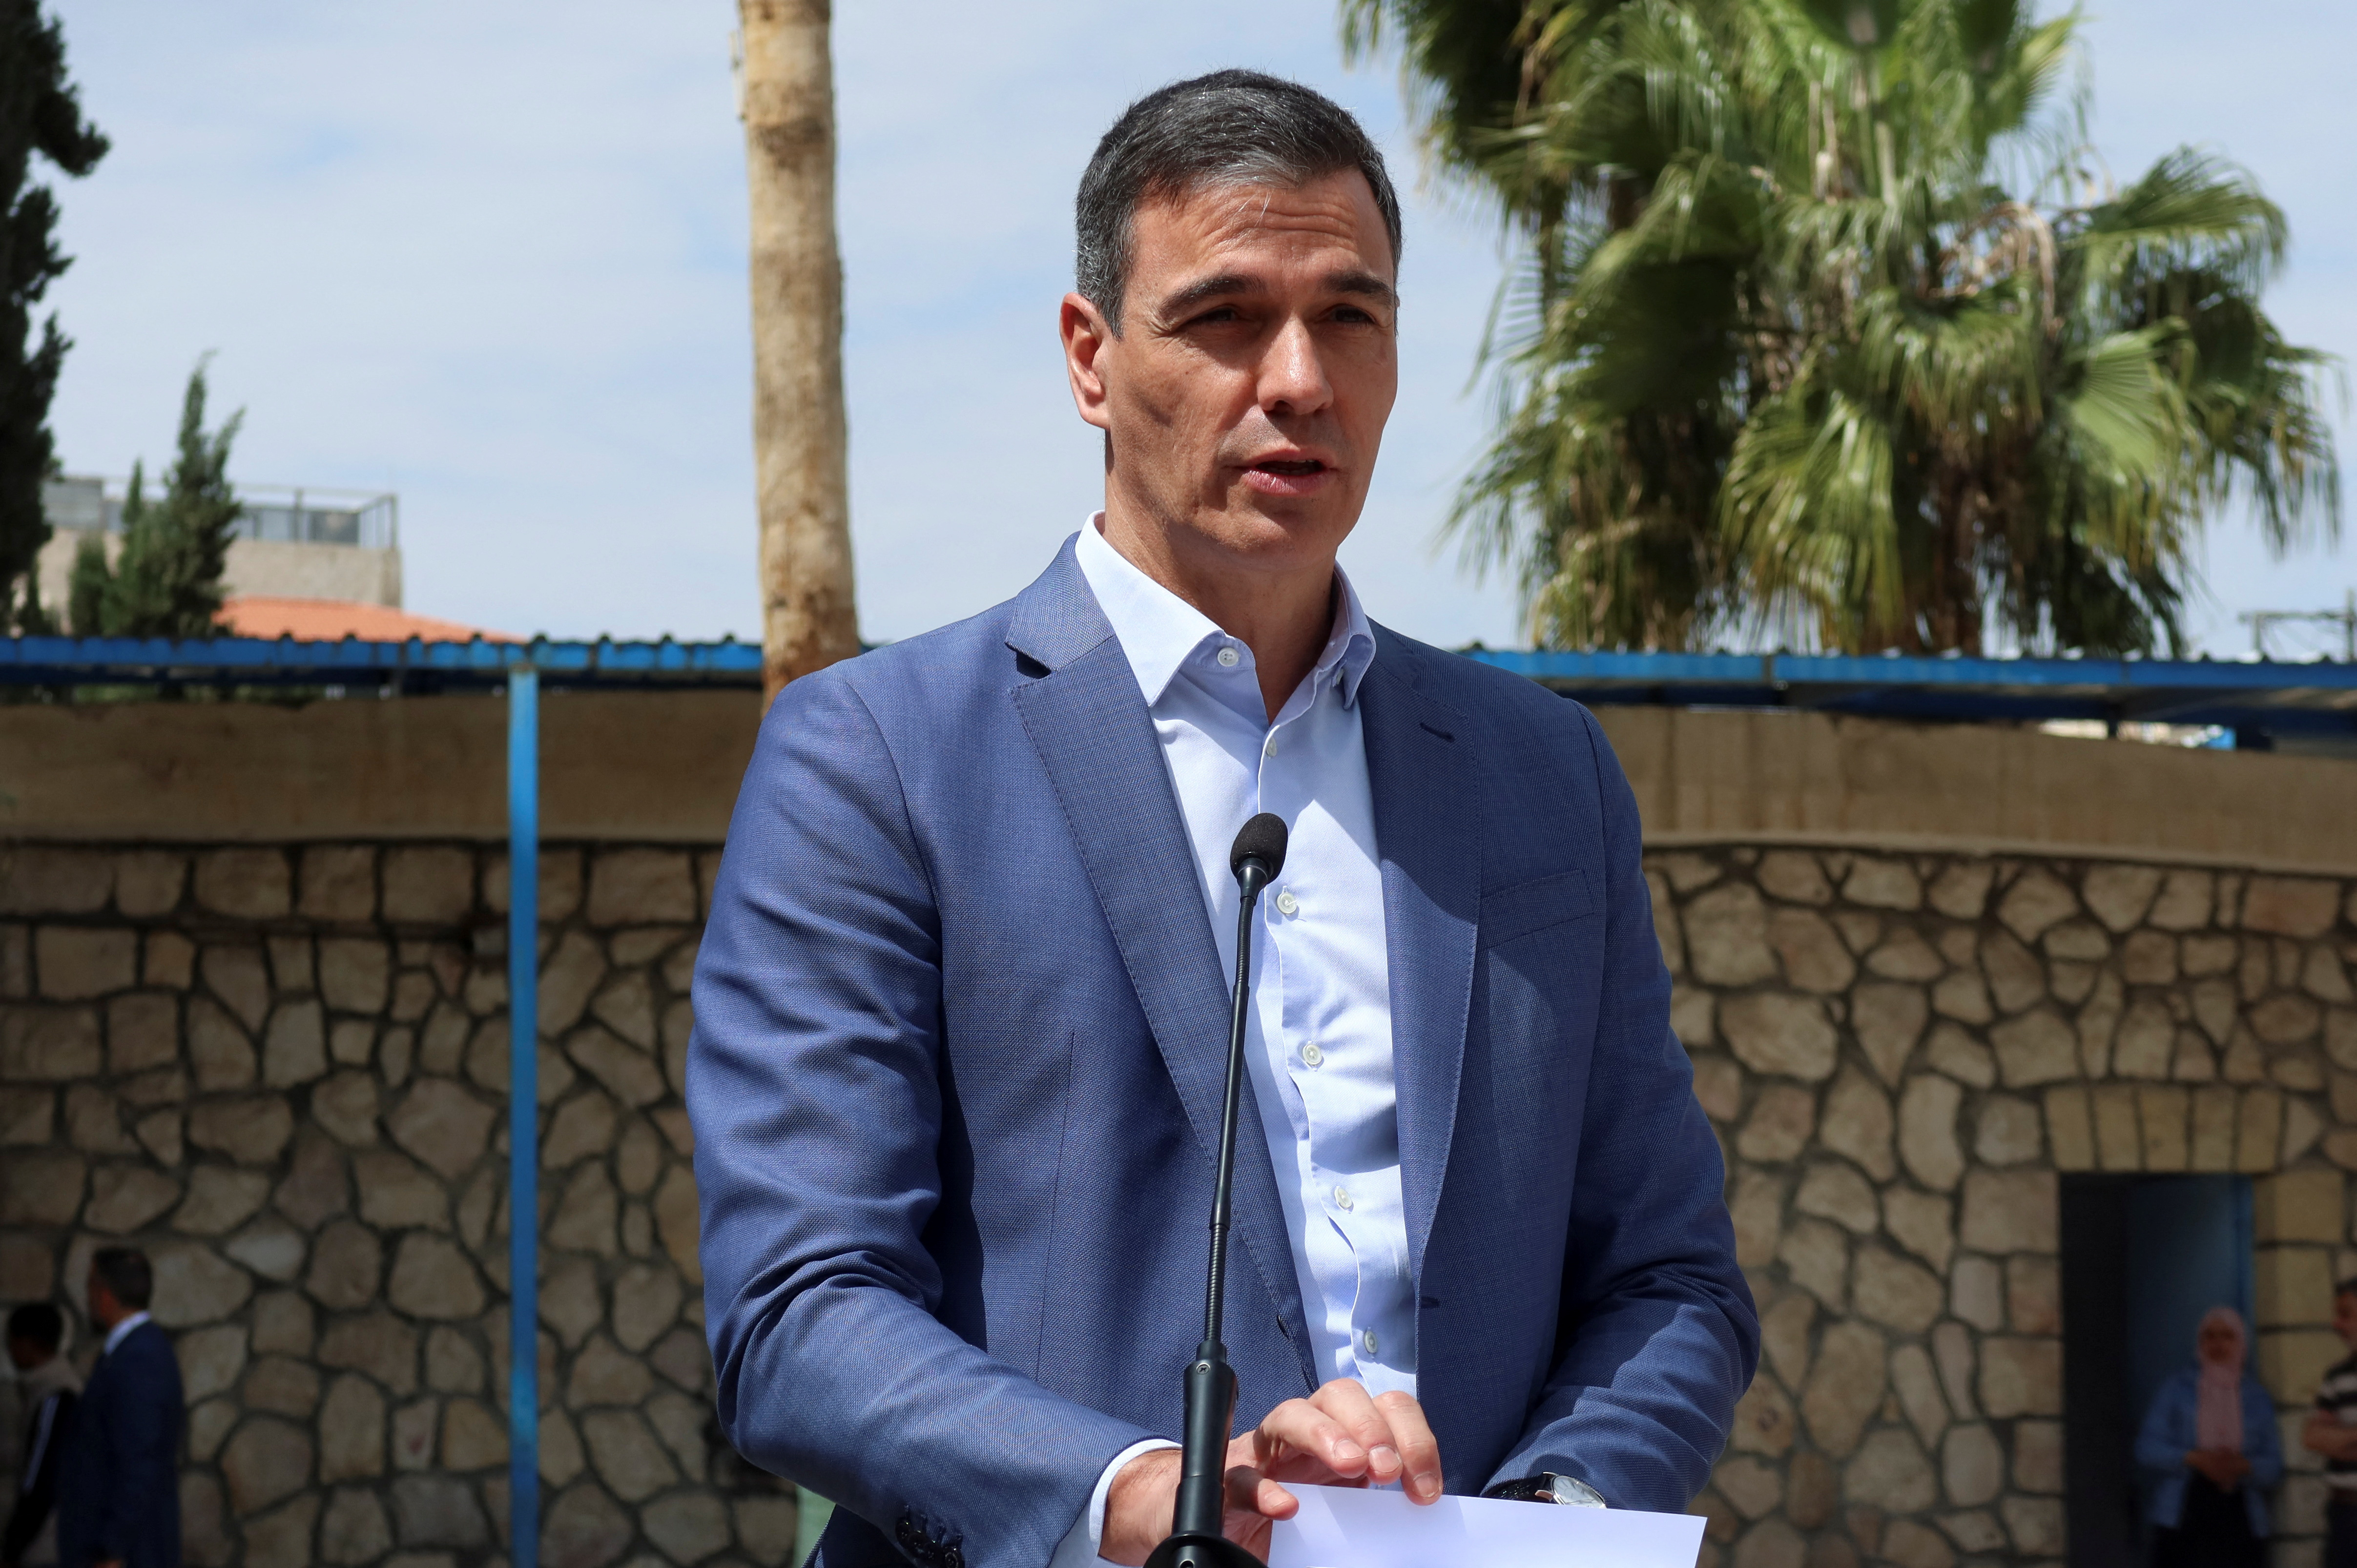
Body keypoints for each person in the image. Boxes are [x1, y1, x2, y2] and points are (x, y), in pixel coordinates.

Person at [690, 69, 1757, 1568]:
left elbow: (1668, 1279)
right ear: (1090, 355)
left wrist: (1538, 1517)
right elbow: (799, 1306)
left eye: (1350, 316)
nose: (1299, 377)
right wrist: (1148, 1491)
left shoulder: (1544, 773)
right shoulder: (874, 759)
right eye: (1224, 317)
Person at [54, 1250, 181, 1568]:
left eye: (89, 1289)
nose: (88, 1300)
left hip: (128, 1552)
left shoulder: (140, 1358)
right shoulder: (131, 1351)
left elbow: (140, 1461)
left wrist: (113, 1548)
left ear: (104, 1294)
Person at [2134, 1306, 2281, 1568]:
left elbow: (2274, 1466)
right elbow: (2147, 1448)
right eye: (2209, 1336)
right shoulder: (2177, 1389)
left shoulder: (2256, 1397)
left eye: (2227, 1336)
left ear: (2241, 1341)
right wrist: (2194, 1458)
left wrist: (2241, 1465)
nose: (2218, 1344)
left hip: (2240, 1513)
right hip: (2184, 1511)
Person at [2, 1305, 81, 1568]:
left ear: (25, 1343)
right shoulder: (47, 1390)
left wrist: (13, 1546)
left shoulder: (56, 1397)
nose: (9, 1350)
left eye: (10, 1341)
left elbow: (40, 1481)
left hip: (48, 1546)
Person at [2302, 1277, 2357, 1567]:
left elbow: (2328, 1437)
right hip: (2345, 1515)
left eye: (2345, 1314)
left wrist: (2340, 1437)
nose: (2337, 1324)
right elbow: (2312, 1437)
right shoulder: (2337, 1376)